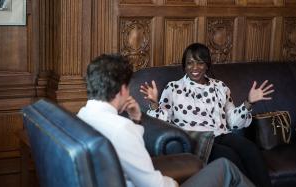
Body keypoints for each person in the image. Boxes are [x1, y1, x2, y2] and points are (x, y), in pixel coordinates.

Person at [77, 53, 255, 187]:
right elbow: (156, 185)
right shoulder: (121, 129)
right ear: (123, 89)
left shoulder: (81, 116)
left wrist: (137, 120)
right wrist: (175, 182)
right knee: (226, 167)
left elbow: (130, 148)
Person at [140, 43, 273, 187]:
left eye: (200, 63)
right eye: (189, 63)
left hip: (221, 134)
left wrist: (249, 102)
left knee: (251, 149)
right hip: (197, 138)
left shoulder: (220, 87)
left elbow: (234, 122)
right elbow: (161, 123)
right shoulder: (173, 88)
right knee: (230, 156)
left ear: (207, 65)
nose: (194, 68)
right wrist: (154, 103)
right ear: (184, 66)